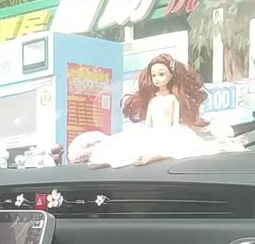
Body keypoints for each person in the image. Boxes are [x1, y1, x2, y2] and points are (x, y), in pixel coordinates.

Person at [68, 53, 244, 167]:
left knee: (174, 148)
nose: (157, 79)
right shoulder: (153, 100)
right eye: (154, 75)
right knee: (123, 149)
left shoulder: (173, 99)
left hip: (171, 132)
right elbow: (148, 123)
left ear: (171, 75)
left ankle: (152, 157)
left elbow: (175, 123)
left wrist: (174, 133)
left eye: (161, 74)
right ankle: (108, 160)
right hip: (151, 132)